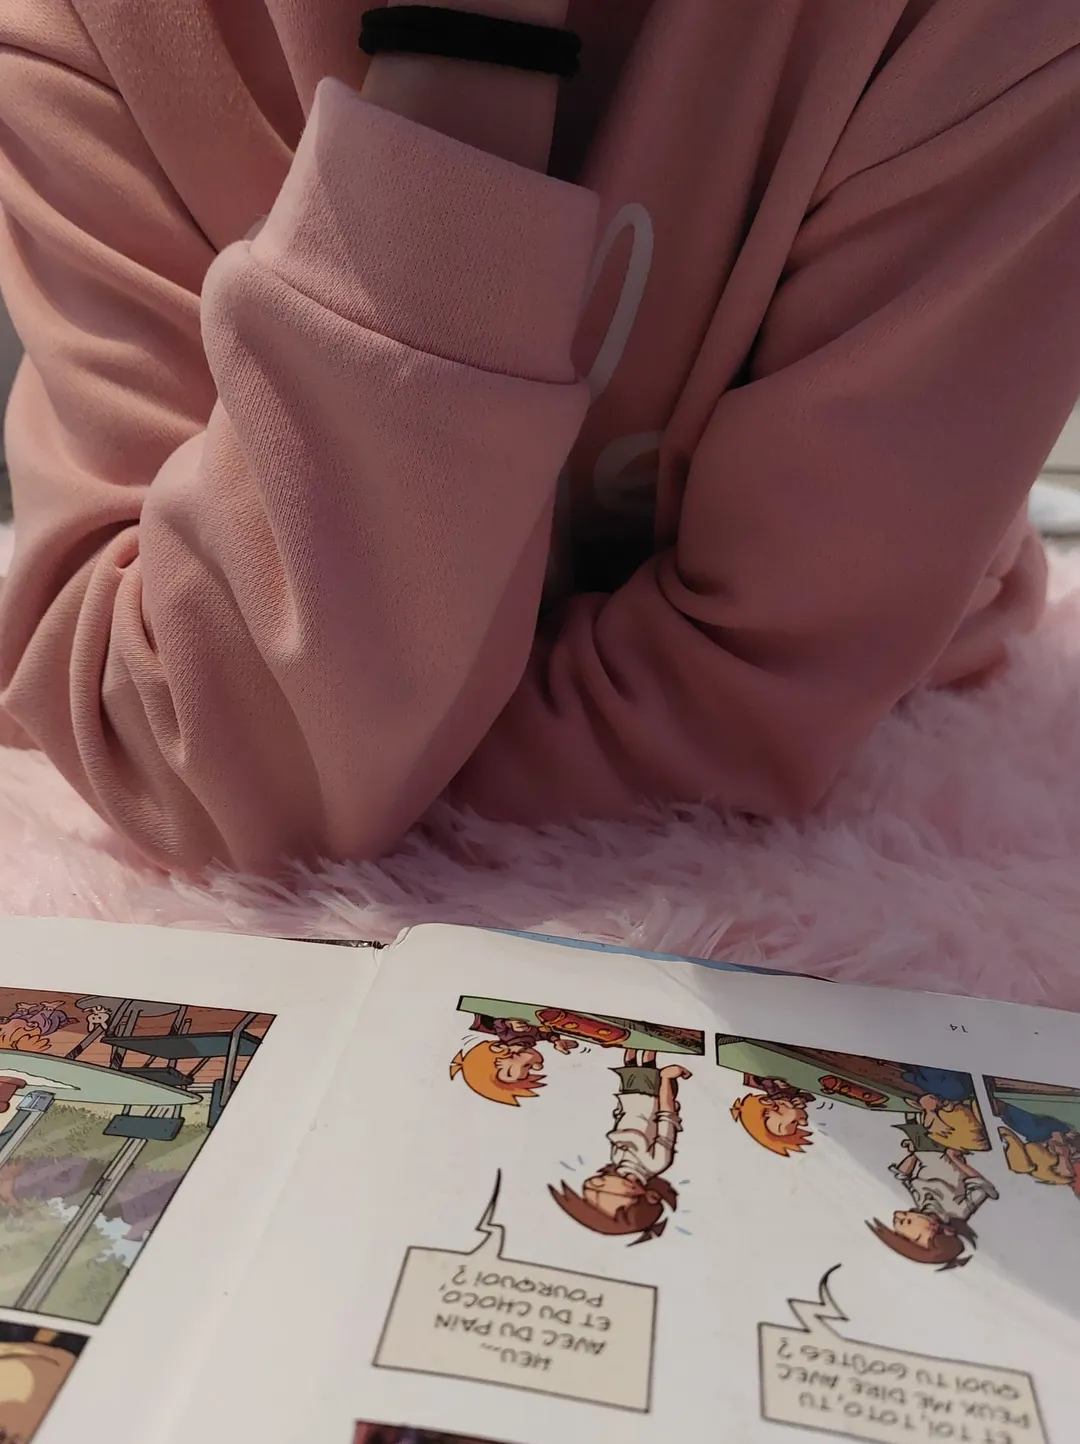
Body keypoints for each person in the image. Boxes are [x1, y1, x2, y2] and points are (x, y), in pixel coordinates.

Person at [0, 1, 1077, 874]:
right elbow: (188, 744)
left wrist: (337, 741)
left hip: (877, 795)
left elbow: (756, 694)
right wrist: (463, 44)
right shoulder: (85, 24)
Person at [549, 1050, 689, 1242]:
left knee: (634, 1058)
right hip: (655, 1095)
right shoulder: (655, 1162)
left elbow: (622, 1120)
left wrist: (622, 1103)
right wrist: (666, 1079)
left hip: (629, 1095)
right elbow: (667, 1117)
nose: (593, 1184)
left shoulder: (617, 1158)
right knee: (647, 1059)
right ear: (635, 1193)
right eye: (601, 1193)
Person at [868, 1137, 999, 1270]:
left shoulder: (921, 1201)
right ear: (931, 1230)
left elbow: (903, 1176)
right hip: (950, 1144)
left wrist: (913, 1153)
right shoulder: (958, 1211)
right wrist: (954, 1158)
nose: (899, 1213)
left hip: (926, 1145)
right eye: (907, 1220)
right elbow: (983, 1185)